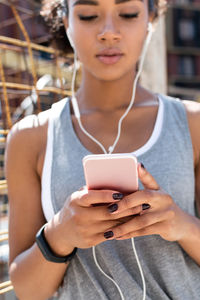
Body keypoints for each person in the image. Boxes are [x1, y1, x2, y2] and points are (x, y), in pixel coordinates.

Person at [5, 0, 200, 299]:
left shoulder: (193, 124)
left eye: (128, 14)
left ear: (150, 18)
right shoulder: (31, 138)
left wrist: (182, 225)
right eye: (89, 15)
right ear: (66, 20)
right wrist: (59, 235)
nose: (109, 33)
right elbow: (28, 291)